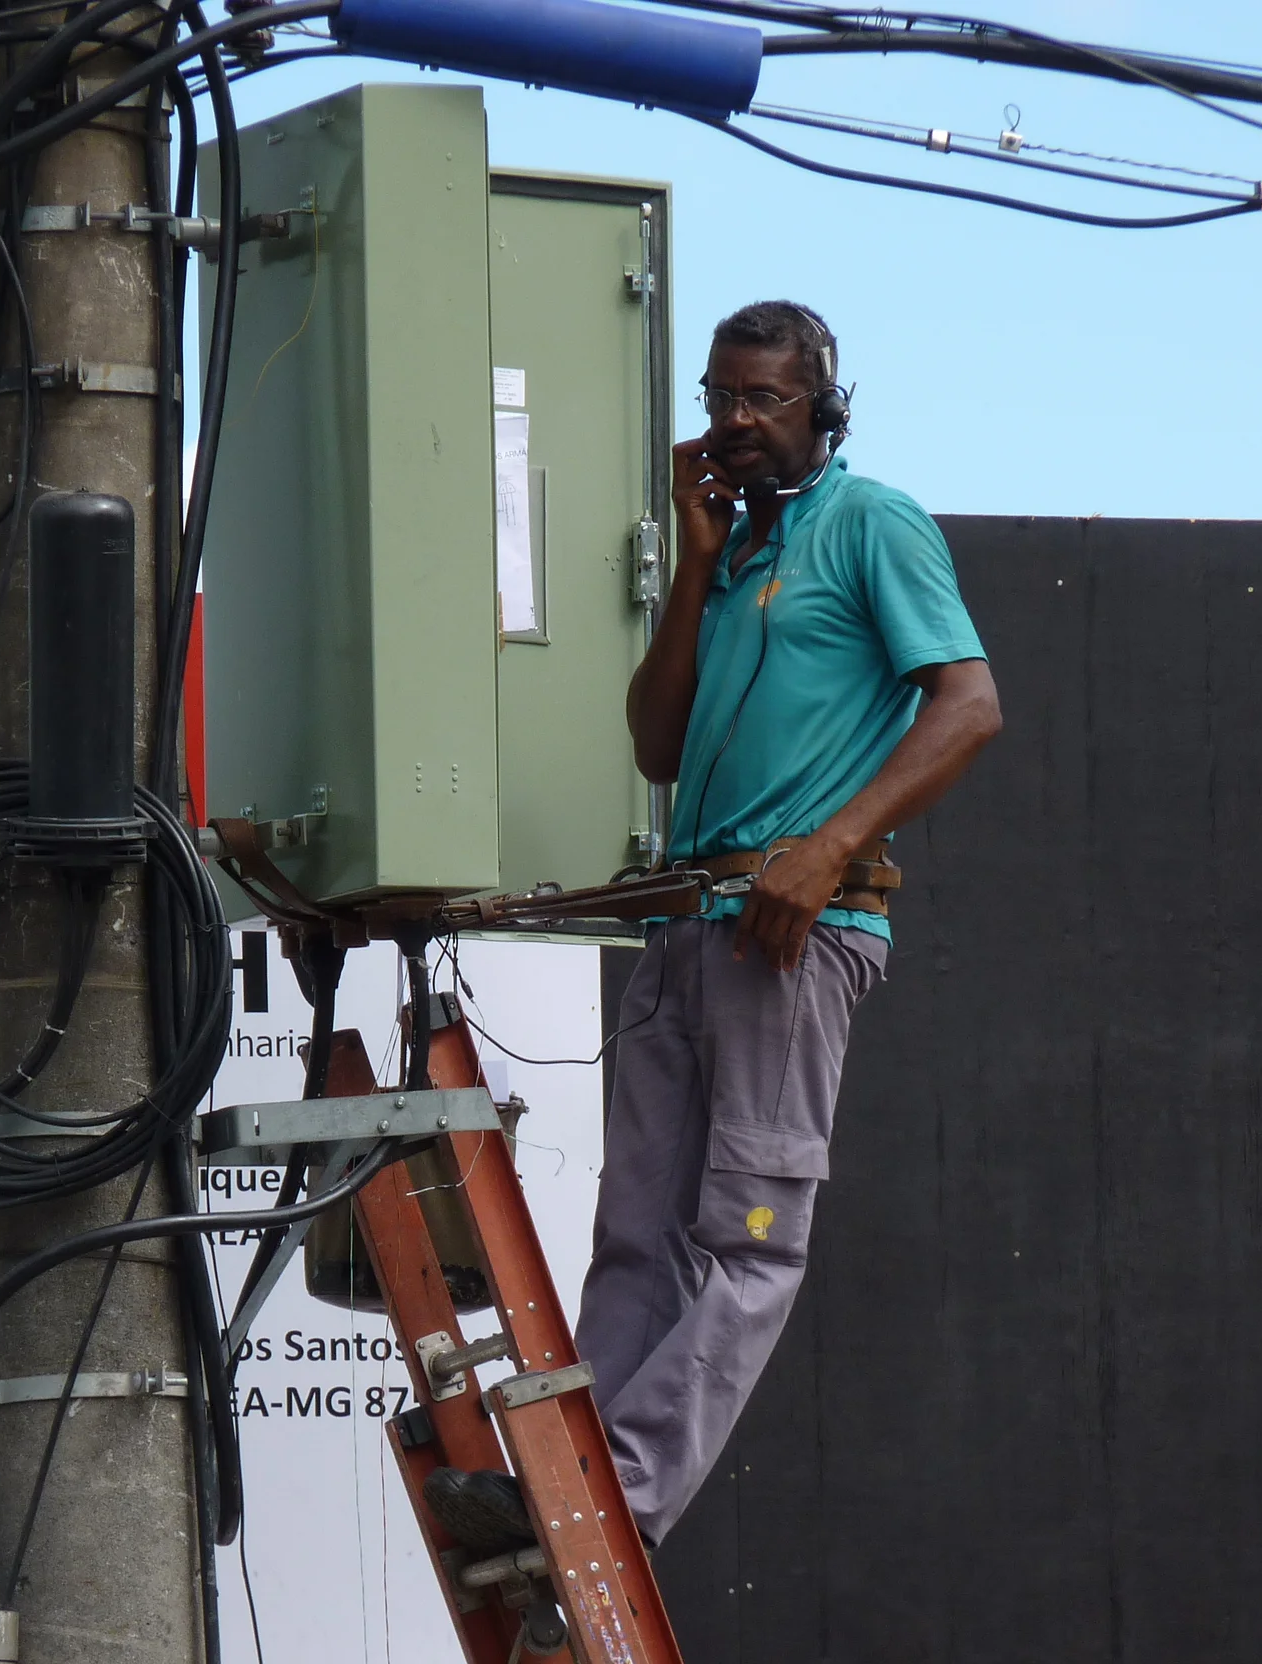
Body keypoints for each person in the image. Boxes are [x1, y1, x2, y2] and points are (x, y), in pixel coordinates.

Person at [427, 299, 1002, 1553]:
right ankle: (563, 1492)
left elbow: (967, 708)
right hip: (688, 928)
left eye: (760, 401)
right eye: (717, 399)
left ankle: (615, 1507)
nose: (732, 423)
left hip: (792, 933)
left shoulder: (871, 522)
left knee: (746, 1241)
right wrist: (694, 558)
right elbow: (654, 744)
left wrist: (830, 849)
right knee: (636, 1236)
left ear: (821, 409)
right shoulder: (731, 552)